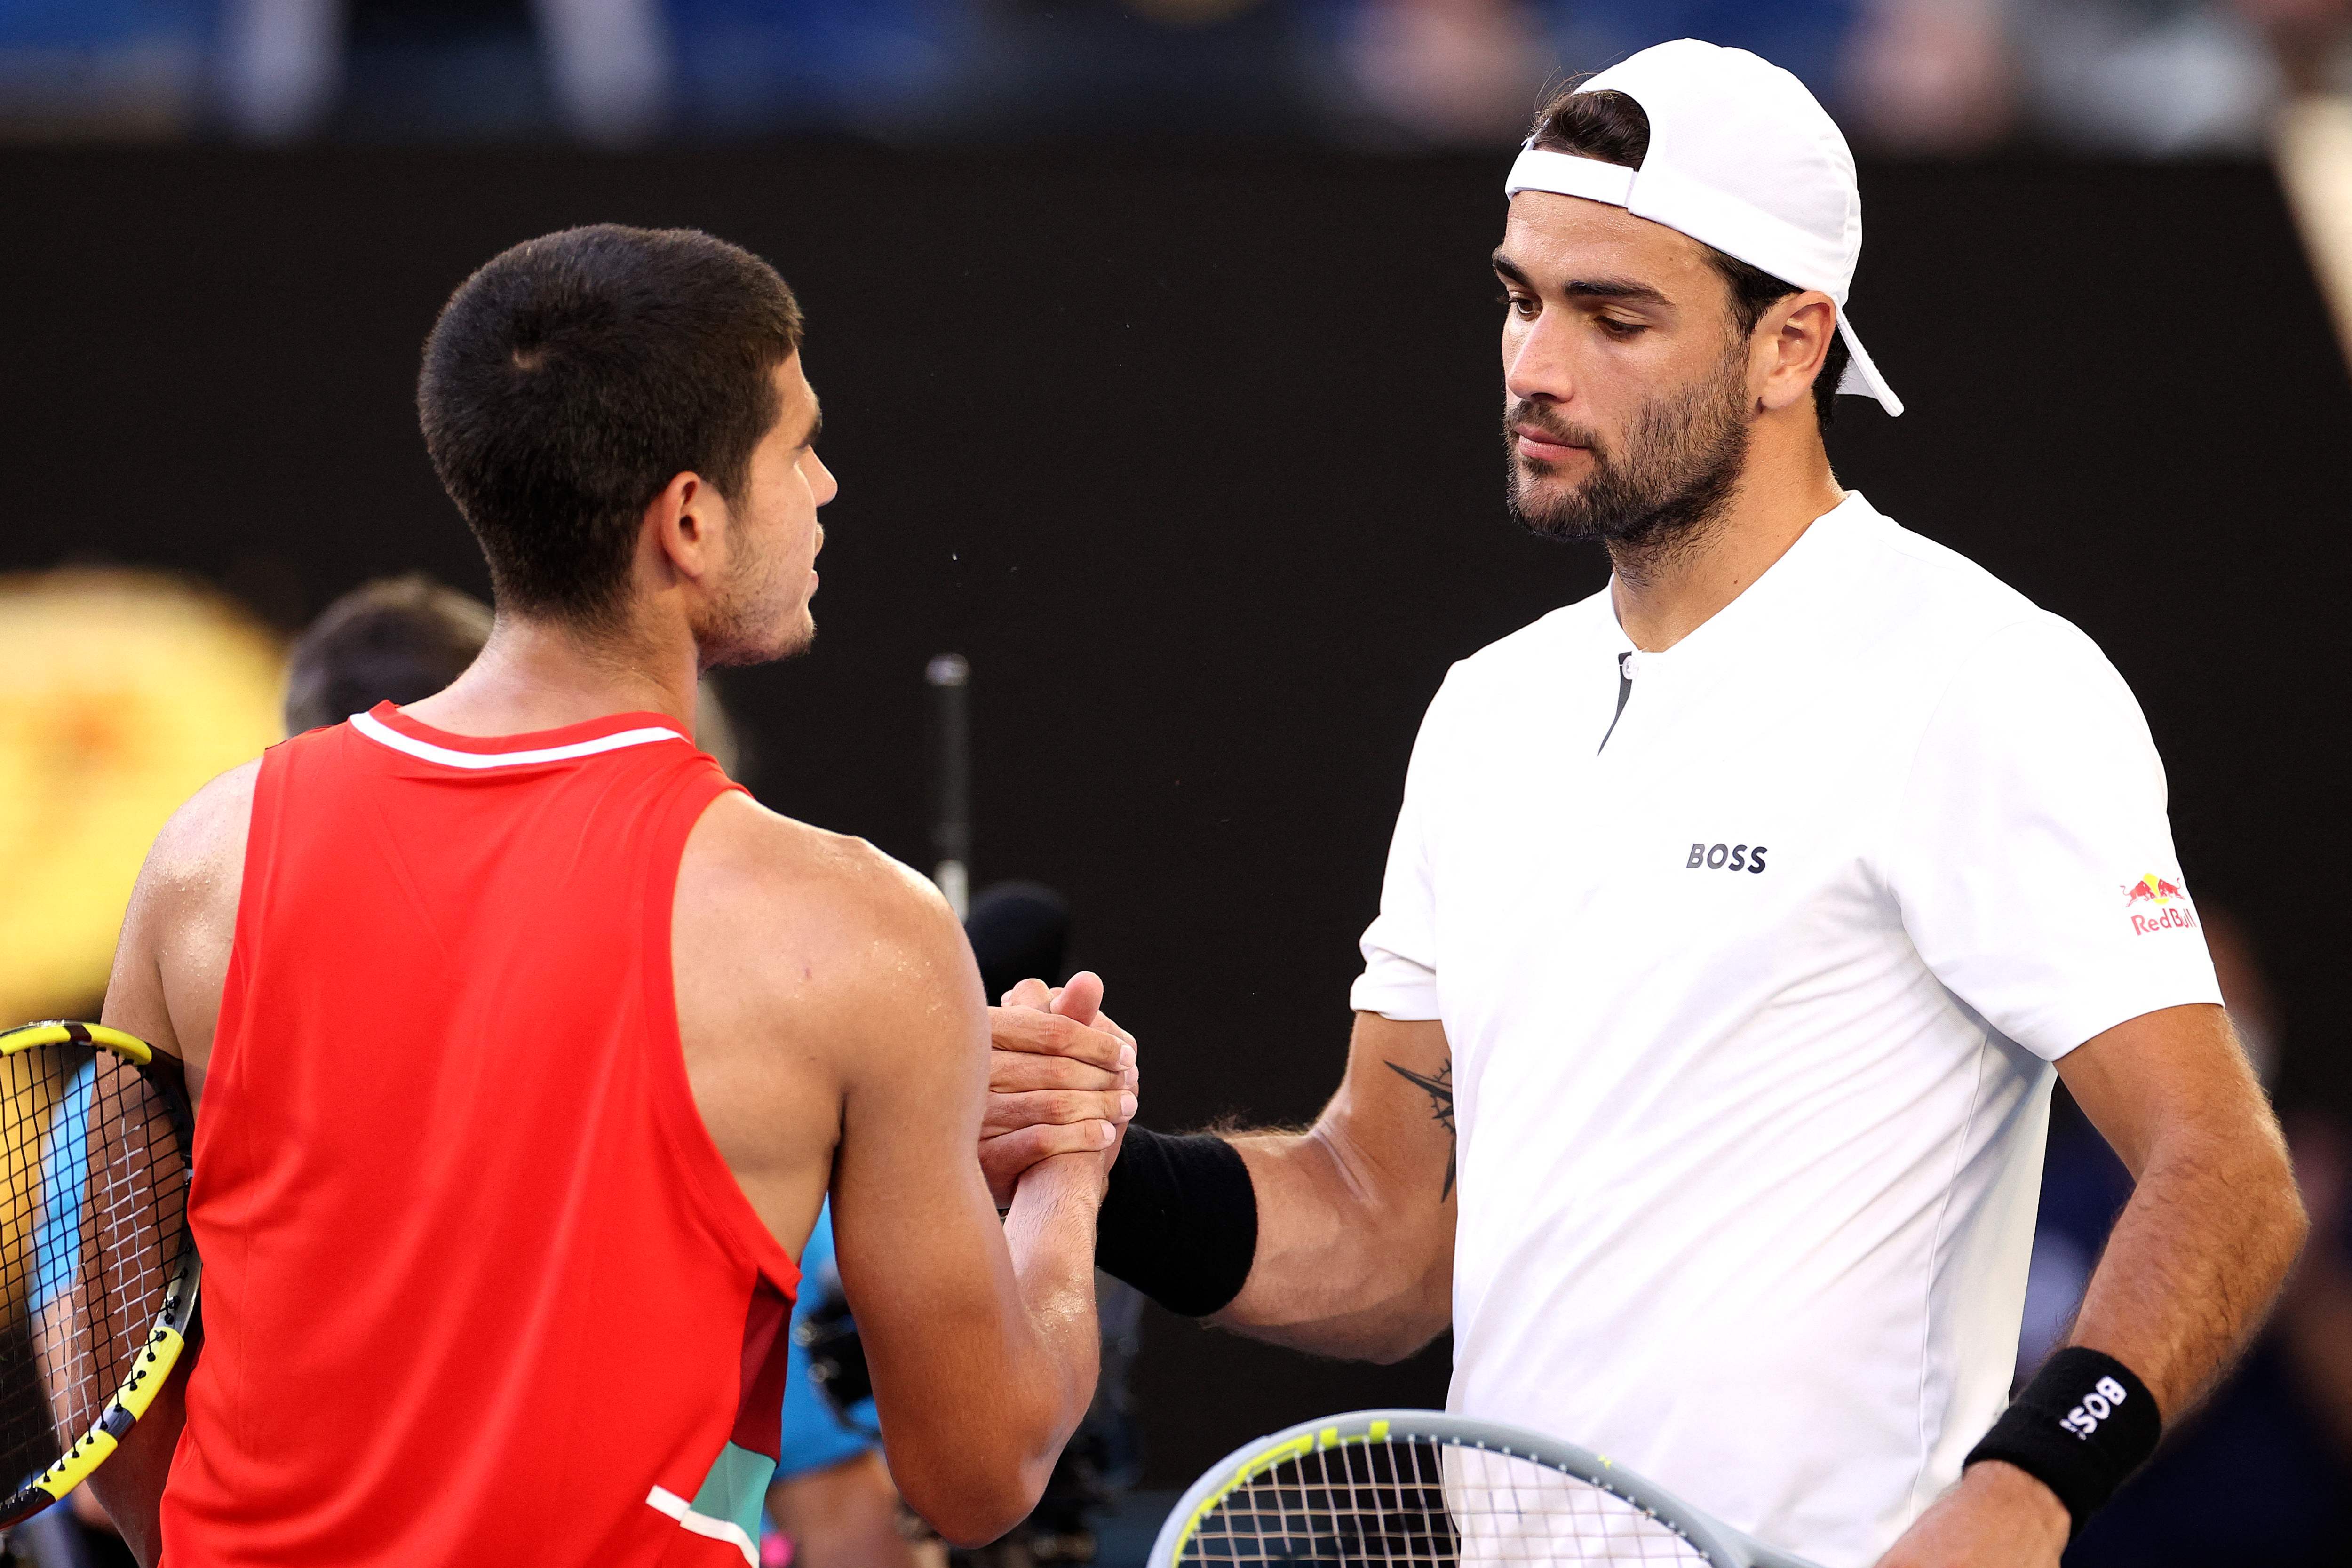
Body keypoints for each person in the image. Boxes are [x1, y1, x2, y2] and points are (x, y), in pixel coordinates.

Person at [980, 40, 2307, 1568]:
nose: (1537, 365)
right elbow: (1387, 1225)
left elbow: (2228, 1172)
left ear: (1789, 345)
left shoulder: (1980, 678)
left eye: (1614, 317)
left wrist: (2026, 1490)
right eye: (1520, 297)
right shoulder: (1489, 712)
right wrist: (1097, 1166)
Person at [87, 223, 1132, 1568]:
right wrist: (1065, 1175)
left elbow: (102, 1356)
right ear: (690, 521)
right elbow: (982, 1472)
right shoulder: (858, 936)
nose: (826, 485)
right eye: (798, 446)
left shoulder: (203, 862)